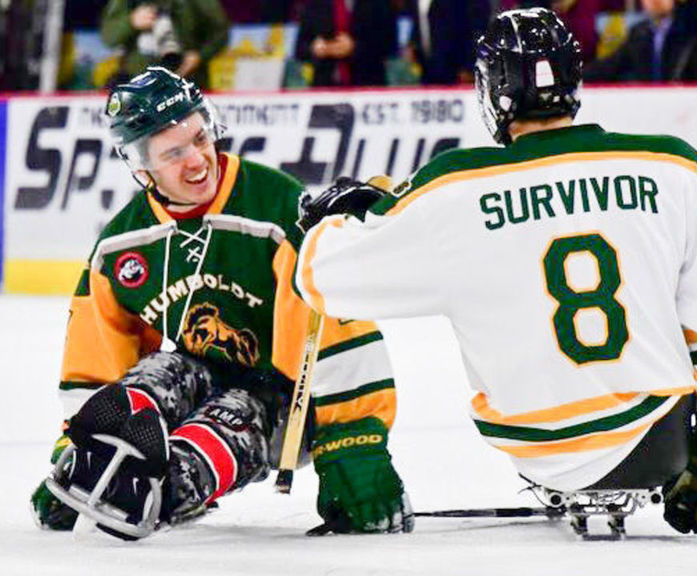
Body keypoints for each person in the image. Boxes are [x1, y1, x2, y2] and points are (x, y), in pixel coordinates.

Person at [294, 8, 697, 535]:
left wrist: (339, 221)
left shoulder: (453, 187)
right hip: (661, 444)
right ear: (573, 79)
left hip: (540, 448)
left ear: (492, 92)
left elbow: (320, 278)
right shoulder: (673, 167)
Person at [30, 66, 413, 539]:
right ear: (140, 166)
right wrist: (77, 446)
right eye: (172, 152)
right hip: (204, 370)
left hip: (285, 399)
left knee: (232, 412)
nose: (196, 160)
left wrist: (354, 444)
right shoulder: (121, 245)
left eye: (199, 137)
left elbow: (339, 326)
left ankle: (169, 487)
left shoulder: (276, 208)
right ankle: (100, 472)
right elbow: (96, 360)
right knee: (156, 376)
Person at [100, 0, 230, 89]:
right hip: (138, 84)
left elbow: (220, 31)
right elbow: (108, 36)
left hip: (186, 83)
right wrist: (131, 21)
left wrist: (199, 56)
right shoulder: (124, 3)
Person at [583, 0, 697, 83]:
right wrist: (574, 76)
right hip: (650, 106)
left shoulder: (693, 32)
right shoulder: (639, 34)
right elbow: (609, 67)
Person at [295, 0, 397, 87]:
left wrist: (354, 47)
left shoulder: (378, 3)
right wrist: (314, 49)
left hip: (367, 87)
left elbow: (389, 45)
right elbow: (300, 49)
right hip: (325, 88)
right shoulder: (315, 4)